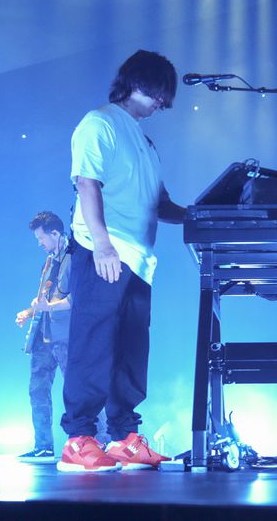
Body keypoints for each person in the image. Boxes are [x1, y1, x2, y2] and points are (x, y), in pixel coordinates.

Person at [57, 49, 185, 472]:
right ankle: (78, 439)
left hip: (140, 259)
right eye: (160, 94)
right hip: (104, 252)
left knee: (130, 352)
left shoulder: (145, 141)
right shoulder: (100, 123)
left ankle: (124, 437)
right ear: (138, 83)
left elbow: (159, 203)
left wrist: (200, 215)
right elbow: (87, 184)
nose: (163, 104)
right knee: (92, 346)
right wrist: (103, 245)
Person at [15, 211, 109, 457]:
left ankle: (101, 441)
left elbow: (77, 299)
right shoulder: (49, 261)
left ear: (55, 233)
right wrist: (29, 310)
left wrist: (49, 306)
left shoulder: (77, 257)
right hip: (43, 337)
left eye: (41, 238)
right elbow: (45, 297)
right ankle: (43, 446)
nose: (40, 243)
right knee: (37, 390)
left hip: (67, 337)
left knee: (81, 391)